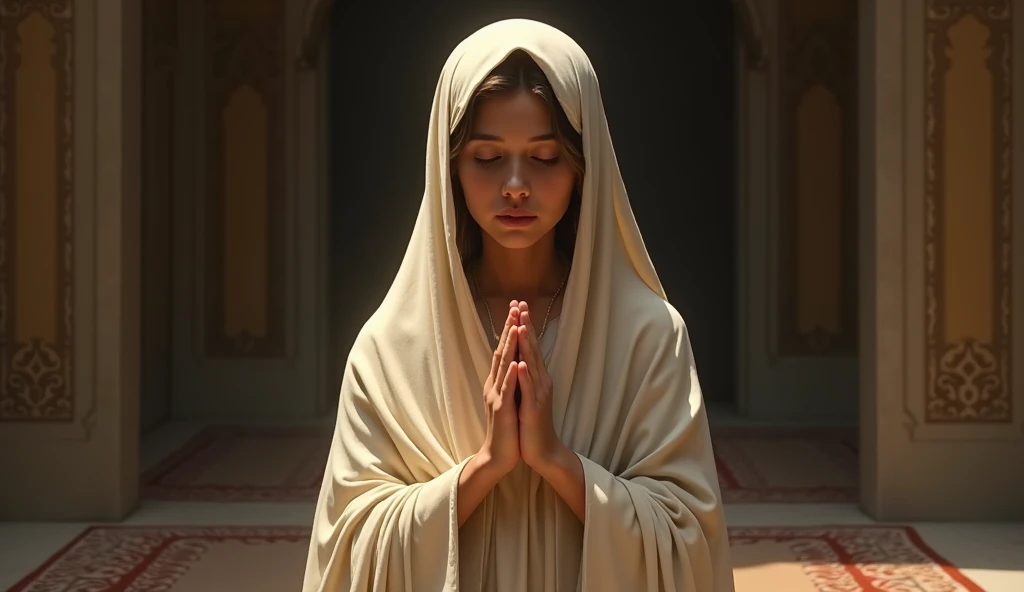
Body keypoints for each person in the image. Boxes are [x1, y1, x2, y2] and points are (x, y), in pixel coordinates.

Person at [302, 18, 734, 592]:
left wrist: (557, 460)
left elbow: (688, 542)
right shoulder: (391, 349)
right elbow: (350, 548)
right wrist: (486, 466)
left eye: (546, 157)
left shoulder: (649, 337)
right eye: (485, 157)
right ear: (448, 166)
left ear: (585, 167)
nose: (514, 184)